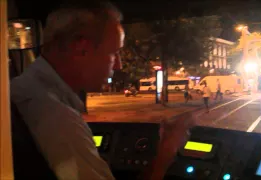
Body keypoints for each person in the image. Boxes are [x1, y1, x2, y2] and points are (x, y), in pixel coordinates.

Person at [10, 1, 195, 180]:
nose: (118, 65)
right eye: (114, 53)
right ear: (81, 48)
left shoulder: (21, 90)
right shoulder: (57, 118)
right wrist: (165, 154)